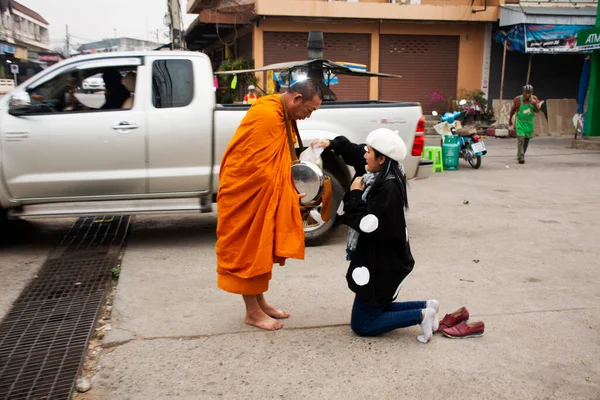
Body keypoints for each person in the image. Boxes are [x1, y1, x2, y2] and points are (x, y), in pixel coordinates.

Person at [216, 79, 323, 331]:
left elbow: (276, 162)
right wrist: (288, 193)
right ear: (296, 99)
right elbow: (260, 171)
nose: (307, 117)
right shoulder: (266, 114)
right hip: (246, 194)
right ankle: (251, 312)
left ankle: (260, 302)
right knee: (251, 247)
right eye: (309, 110)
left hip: (260, 190)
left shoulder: (280, 112)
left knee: (261, 248)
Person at [314, 131, 439, 343]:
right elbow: (355, 151)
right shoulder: (384, 172)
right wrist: (332, 143)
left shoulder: (386, 188)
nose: (364, 155)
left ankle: (422, 315)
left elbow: (366, 224)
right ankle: (427, 306)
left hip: (382, 265)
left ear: (381, 158)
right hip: (382, 259)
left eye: (369, 152)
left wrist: (354, 194)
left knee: (362, 324)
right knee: (377, 306)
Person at [509, 84, 543, 164]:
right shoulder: (517, 99)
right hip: (520, 122)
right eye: (526, 93)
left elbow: (537, 111)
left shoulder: (535, 99)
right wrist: (510, 119)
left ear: (532, 93)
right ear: (523, 92)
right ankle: (521, 157)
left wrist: (535, 105)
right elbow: (512, 110)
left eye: (529, 93)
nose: (527, 95)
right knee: (521, 139)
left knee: (526, 140)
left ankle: (521, 154)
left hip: (529, 123)